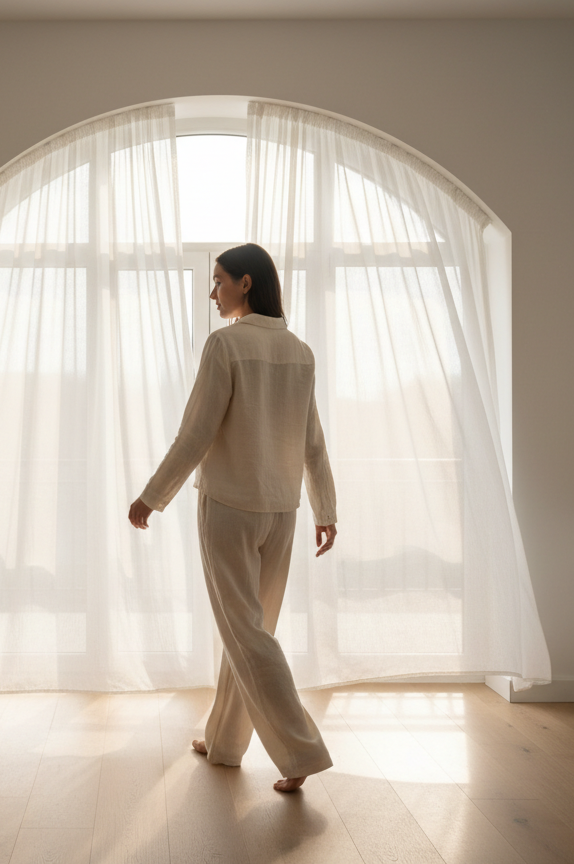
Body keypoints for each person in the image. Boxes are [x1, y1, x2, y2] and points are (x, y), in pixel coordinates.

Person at [128, 242, 337, 794]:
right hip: (283, 512)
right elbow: (312, 441)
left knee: (245, 633)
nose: (212, 290)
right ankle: (224, 742)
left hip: (228, 508)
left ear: (246, 283)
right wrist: (327, 508)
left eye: (218, 280)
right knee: (250, 632)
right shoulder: (300, 351)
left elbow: (196, 432)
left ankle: (301, 752)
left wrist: (152, 495)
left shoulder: (225, 345)